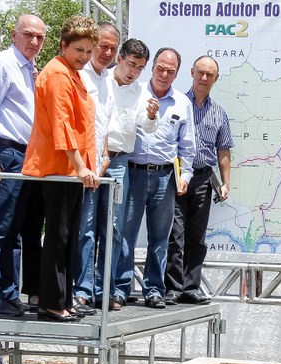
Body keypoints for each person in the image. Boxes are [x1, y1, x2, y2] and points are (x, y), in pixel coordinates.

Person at [21, 15, 100, 322]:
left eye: (88, 51)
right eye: (79, 50)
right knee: (57, 235)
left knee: (67, 236)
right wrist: (80, 166)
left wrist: (86, 166)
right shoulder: (56, 74)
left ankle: (63, 299)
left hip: (71, 171)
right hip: (57, 169)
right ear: (64, 45)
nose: (84, 57)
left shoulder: (72, 74)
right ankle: (51, 302)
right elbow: (62, 125)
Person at [77, 38, 159, 311]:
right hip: (91, 159)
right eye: (131, 64)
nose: (134, 71)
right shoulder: (101, 80)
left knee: (113, 227)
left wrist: (150, 116)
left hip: (119, 162)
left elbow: (146, 128)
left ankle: (105, 289)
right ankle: (82, 289)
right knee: (86, 226)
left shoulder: (140, 91)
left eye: (140, 67)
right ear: (120, 58)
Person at [0, 14, 47, 318]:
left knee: (17, 229)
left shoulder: (30, 69)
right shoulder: (2, 63)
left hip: (27, 155)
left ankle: (8, 292)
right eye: (28, 35)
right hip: (6, 153)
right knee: (0, 225)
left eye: (40, 37)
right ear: (14, 34)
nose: (34, 42)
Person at [117, 47, 196, 309]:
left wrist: (185, 175)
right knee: (125, 233)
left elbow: (187, 146)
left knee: (160, 237)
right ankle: (120, 288)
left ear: (177, 74)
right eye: (160, 68)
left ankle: (153, 289)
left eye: (170, 71)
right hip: (133, 172)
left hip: (165, 177)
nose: (164, 74)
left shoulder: (182, 103)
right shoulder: (135, 91)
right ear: (152, 68)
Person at [164, 55, 233, 305]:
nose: (204, 78)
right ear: (192, 72)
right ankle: (172, 288)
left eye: (210, 74)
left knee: (197, 237)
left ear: (216, 78)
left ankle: (190, 287)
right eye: (200, 72)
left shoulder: (219, 113)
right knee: (175, 235)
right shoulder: (177, 104)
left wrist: (225, 183)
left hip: (204, 178)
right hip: (177, 176)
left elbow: (223, 151)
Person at [72, 22, 119, 315]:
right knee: (84, 230)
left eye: (113, 48)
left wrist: (104, 155)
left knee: (107, 229)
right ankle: (81, 290)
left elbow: (102, 125)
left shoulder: (107, 80)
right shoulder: (79, 75)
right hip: (79, 166)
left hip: (100, 163)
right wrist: (84, 163)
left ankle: (99, 290)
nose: (107, 52)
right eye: (102, 45)